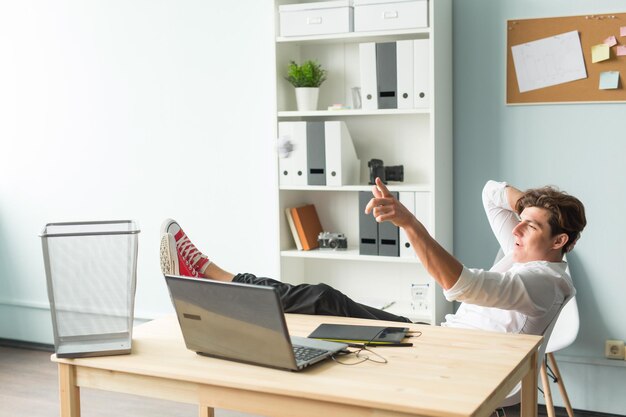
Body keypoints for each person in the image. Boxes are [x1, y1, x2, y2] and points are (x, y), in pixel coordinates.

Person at [159, 178, 586, 335]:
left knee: (325, 302)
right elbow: (492, 191)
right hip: (439, 339)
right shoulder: (524, 252)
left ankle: (210, 277)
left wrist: (409, 224)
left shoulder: (545, 281)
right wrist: (534, 206)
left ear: (559, 241)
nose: (515, 227)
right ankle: (210, 280)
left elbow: (463, 287)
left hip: (463, 360)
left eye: (529, 226)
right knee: (323, 308)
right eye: (519, 219)